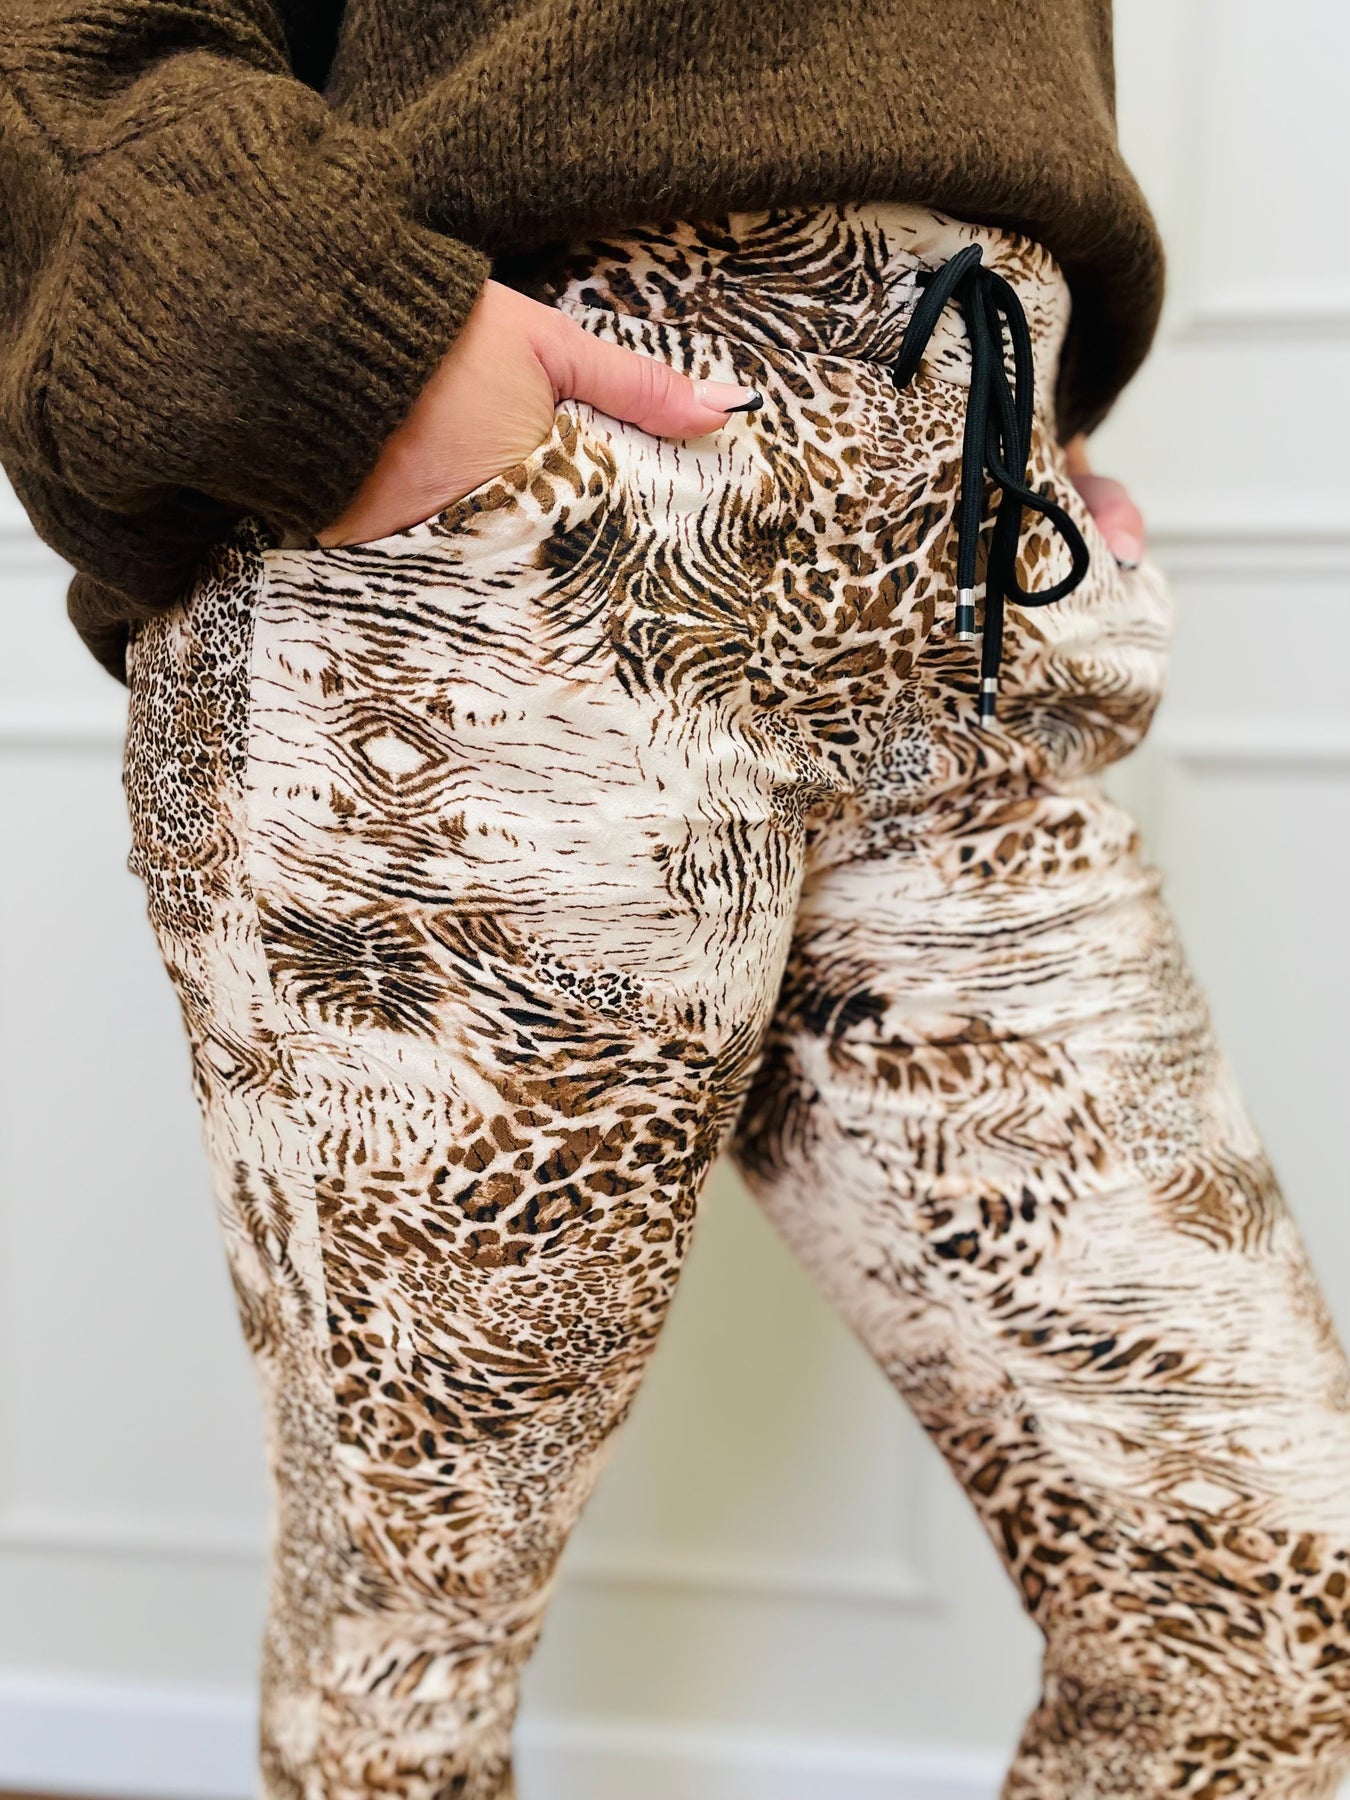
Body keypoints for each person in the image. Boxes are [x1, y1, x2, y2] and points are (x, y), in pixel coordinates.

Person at [3, 4, 1349, 1796]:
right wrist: (341, 346)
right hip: (507, 601)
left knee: (1260, 1598)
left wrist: (1028, 403)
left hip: (963, 608)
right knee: (416, 1643)